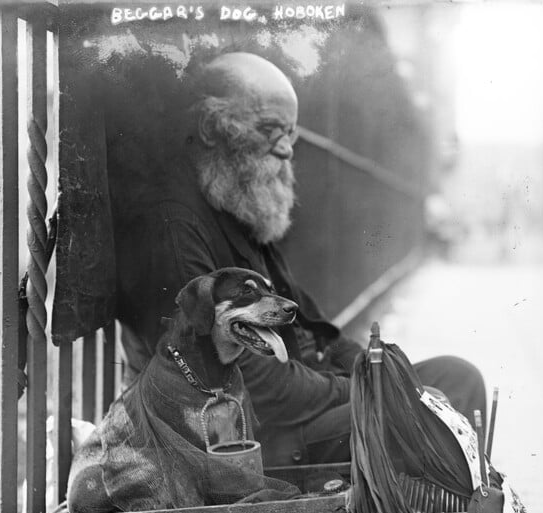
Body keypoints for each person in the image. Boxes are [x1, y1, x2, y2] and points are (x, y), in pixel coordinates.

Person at [114, 51, 486, 467]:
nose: (287, 151)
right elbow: (259, 388)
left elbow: (315, 325)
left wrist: (364, 369)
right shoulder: (174, 227)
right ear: (211, 128)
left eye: (289, 134)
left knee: (457, 376)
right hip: (250, 440)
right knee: (433, 405)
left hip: (303, 404)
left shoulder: (234, 202)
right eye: (271, 130)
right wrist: (360, 387)